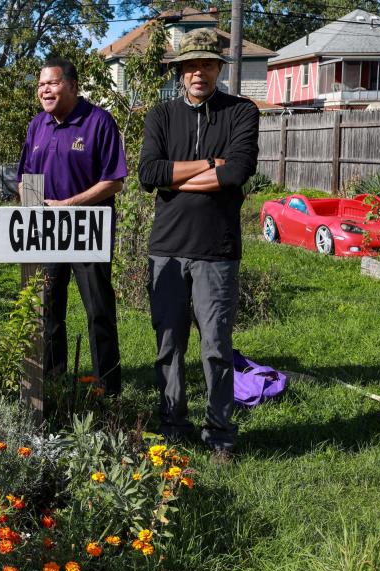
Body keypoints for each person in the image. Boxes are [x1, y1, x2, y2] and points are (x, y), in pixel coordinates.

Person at [138, 28, 259, 453]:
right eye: (190, 66)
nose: (198, 73)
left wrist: (178, 178)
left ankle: (219, 434)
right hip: (166, 249)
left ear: (218, 68)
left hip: (216, 251)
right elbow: (149, 174)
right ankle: (173, 426)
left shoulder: (242, 112)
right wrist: (208, 164)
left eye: (207, 64)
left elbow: (235, 174)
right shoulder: (162, 115)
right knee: (168, 345)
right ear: (180, 71)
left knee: (216, 348)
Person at [17, 58, 126, 396]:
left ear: (73, 86)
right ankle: (54, 383)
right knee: (47, 309)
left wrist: (68, 206)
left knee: (98, 310)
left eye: (51, 83)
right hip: (47, 233)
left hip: (87, 231)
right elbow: (26, 179)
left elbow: (113, 181)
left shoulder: (98, 122)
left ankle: (108, 387)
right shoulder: (37, 125)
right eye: (40, 85)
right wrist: (33, 209)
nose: (43, 90)